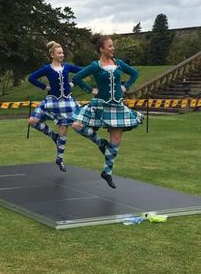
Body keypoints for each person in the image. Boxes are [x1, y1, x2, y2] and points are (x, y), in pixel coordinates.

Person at [71, 34, 143, 189]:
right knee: (77, 125)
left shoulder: (119, 63)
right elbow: (77, 78)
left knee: (116, 141)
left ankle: (107, 172)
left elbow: (135, 73)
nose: (113, 48)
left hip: (117, 106)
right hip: (99, 105)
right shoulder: (95, 66)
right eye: (110, 46)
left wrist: (126, 86)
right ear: (101, 49)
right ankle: (100, 142)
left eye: (113, 46)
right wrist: (91, 90)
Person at [28, 41, 81, 172]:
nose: (62, 55)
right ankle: (53, 136)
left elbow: (84, 71)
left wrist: (73, 83)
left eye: (62, 52)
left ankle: (60, 159)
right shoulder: (47, 69)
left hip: (66, 102)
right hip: (52, 101)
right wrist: (44, 87)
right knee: (32, 121)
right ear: (52, 54)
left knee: (64, 130)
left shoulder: (67, 66)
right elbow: (32, 78)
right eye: (59, 53)